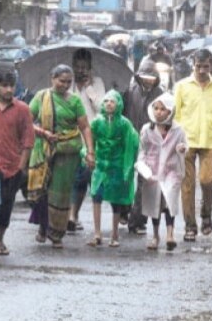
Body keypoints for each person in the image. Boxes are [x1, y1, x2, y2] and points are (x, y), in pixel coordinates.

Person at [27, 64, 95, 248]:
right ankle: (43, 225)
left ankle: (56, 233)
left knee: (60, 192)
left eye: (68, 82)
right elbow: (26, 121)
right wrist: (43, 132)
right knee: (40, 190)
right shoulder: (42, 97)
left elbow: (85, 127)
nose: (65, 85)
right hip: (44, 150)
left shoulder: (74, 101)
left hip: (67, 153)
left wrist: (90, 151)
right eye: (61, 81)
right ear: (52, 78)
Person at [0, 69, 34, 260]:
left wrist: (21, 166)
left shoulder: (23, 110)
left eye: (12, 85)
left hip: (12, 166)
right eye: (4, 85)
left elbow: (28, 140)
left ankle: (0, 237)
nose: (9, 90)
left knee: (6, 205)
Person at [173, 48, 212, 241]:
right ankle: (190, 226)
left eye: (206, 66)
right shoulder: (182, 86)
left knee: (206, 181)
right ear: (193, 65)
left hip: (210, 139)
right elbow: (176, 113)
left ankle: (206, 215)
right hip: (186, 141)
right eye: (198, 66)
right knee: (187, 185)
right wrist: (177, 136)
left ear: (211, 65)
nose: (202, 70)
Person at [86, 90, 139, 248]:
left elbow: (132, 143)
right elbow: (89, 141)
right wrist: (88, 154)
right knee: (96, 196)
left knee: (116, 201)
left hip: (117, 166)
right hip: (100, 166)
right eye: (106, 101)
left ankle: (115, 234)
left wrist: (127, 167)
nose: (109, 104)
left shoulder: (124, 124)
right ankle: (97, 233)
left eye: (112, 101)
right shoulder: (97, 122)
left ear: (118, 105)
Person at [137, 93, 187, 251]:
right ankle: (156, 235)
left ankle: (170, 234)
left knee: (169, 201)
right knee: (155, 205)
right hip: (152, 172)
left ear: (170, 111)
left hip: (171, 171)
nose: (159, 112)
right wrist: (144, 169)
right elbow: (142, 151)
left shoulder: (178, 130)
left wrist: (182, 149)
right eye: (156, 108)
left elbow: (185, 146)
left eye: (163, 109)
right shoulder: (147, 129)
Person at [122, 59, 164, 235]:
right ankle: (124, 211)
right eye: (145, 77)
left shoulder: (159, 94)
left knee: (143, 181)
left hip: (149, 142)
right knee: (125, 177)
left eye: (151, 78)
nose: (148, 81)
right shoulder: (130, 92)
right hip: (129, 139)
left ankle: (137, 219)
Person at [68, 48, 106, 232]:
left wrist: (90, 90)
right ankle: (72, 215)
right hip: (71, 136)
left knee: (90, 179)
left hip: (93, 138)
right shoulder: (68, 83)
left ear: (90, 67)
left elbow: (102, 108)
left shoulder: (98, 82)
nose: (81, 70)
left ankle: (86, 219)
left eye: (85, 67)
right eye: (78, 66)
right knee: (76, 178)